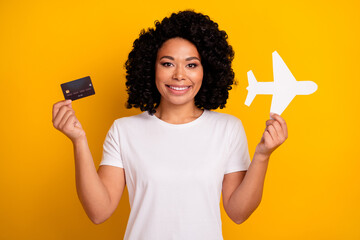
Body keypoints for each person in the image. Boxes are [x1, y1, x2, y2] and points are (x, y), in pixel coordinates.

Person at [52, 10, 288, 240]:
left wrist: (262, 155)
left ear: (206, 71)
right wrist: (78, 140)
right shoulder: (124, 130)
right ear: (150, 68)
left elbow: (238, 213)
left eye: (191, 65)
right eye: (167, 64)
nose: (179, 75)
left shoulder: (227, 128)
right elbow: (98, 211)